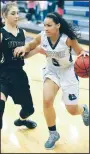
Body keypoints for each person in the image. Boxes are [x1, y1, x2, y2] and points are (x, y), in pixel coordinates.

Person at [14, 12, 89, 149]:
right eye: (44, 25)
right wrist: (24, 48)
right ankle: (53, 133)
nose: (46, 28)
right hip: (52, 71)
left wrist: (84, 54)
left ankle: (83, 110)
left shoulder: (67, 39)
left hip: (68, 72)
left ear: (58, 26)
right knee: (47, 101)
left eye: (49, 25)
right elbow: (30, 45)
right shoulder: (42, 36)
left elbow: (80, 51)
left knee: (72, 110)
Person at [0, 2, 37, 130]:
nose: (17, 16)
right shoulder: (1, 34)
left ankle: (22, 120)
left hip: (19, 75)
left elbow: (24, 55)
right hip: (3, 74)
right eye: (13, 13)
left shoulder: (22, 32)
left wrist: (37, 50)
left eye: (17, 13)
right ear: (4, 15)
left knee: (29, 109)